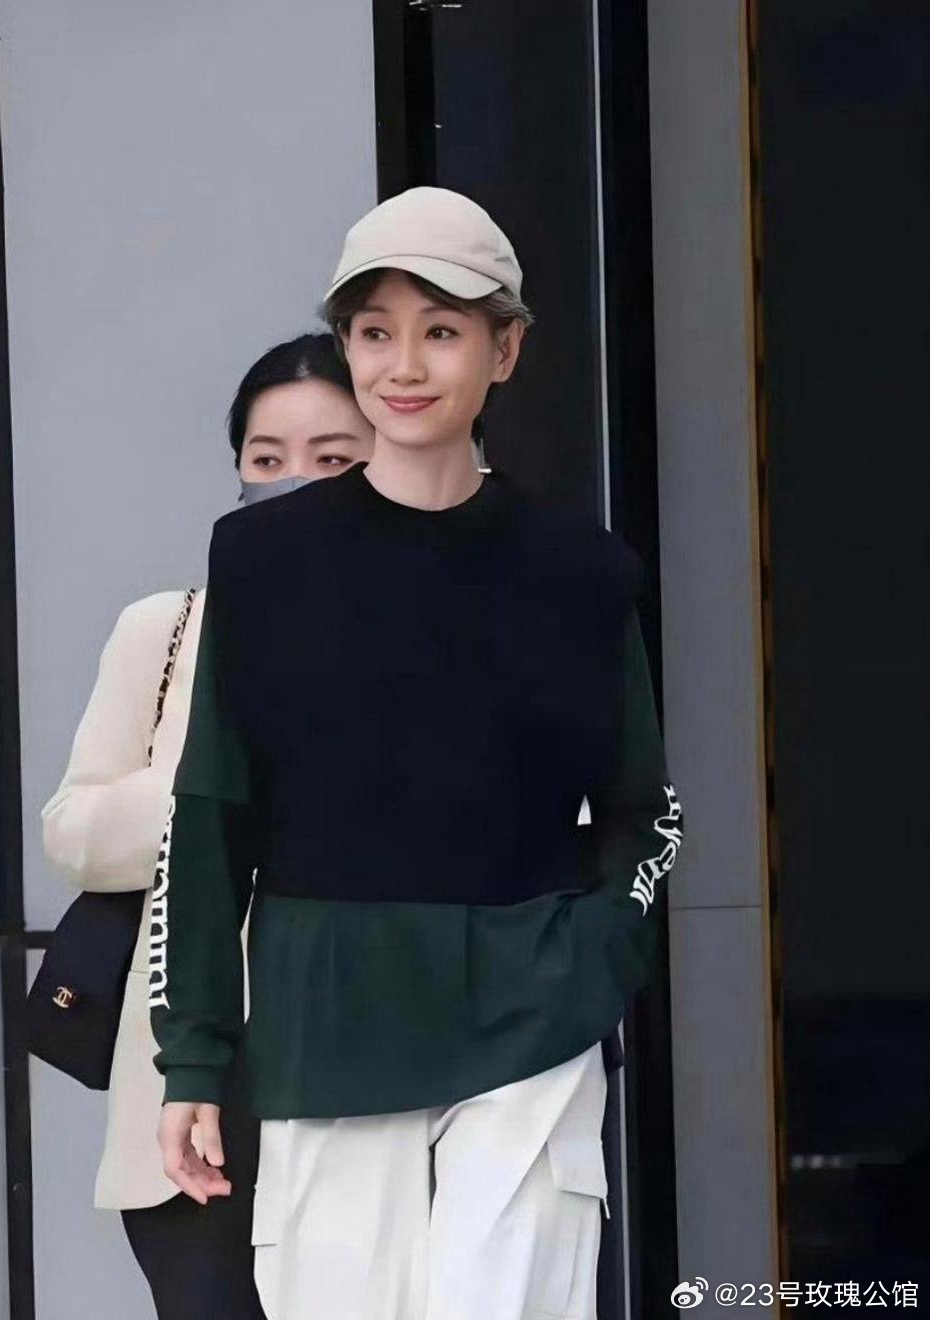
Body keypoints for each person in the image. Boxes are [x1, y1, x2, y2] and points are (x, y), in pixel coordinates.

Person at [151, 188, 685, 1320]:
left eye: (441, 330)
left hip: (531, 1016)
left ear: (507, 350)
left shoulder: (581, 573)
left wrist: (600, 954)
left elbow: (645, 806)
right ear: (347, 346)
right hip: (326, 1018)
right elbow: (211, 812)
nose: (403, 364)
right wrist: (192, 1056)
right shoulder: (262, 561)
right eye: (374, 331)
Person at [40, 332, 374, 1320]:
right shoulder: (168, 629)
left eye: (332, 458)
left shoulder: (447, 637)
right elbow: (75, 832)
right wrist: (218, 780)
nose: (293, 482)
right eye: (267, 458)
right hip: (198, 1096)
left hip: (378, 1077)